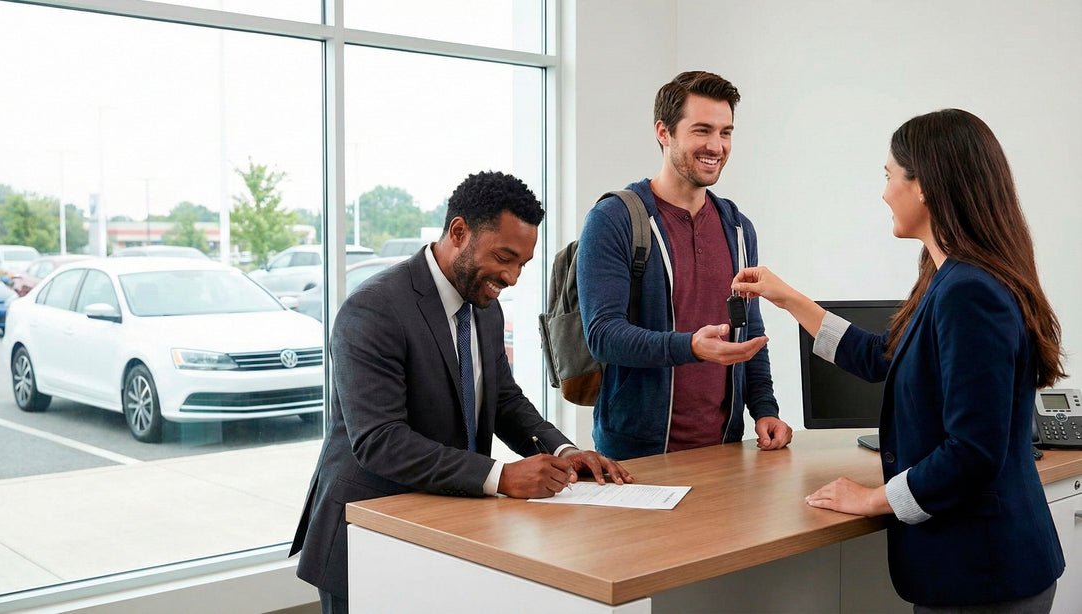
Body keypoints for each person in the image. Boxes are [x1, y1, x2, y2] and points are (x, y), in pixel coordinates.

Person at [732, 109, 1065, 612]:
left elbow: (973, 452)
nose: (884, 192)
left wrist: (873, 498)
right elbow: (881, 356)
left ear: (924, 185)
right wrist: (788, 298)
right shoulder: (948, 276)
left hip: (984, 573)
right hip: (984, 567)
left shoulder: (969, 291)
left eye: (889, 176)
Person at [290, 171, 632, 614]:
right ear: (458, 232)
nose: (512, 277)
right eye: (504, 257)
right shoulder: (373, 308)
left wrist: (563, 450)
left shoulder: (484, 309)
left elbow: (505, 401)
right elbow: (379, 440)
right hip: (368, 533)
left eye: (523, 264)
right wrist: (502, 477)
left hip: (447, 526)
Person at [576, 70, 792, 460]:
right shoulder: (615, 219)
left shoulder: (739, 228)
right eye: (702, 130)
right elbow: (603, 335)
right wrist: (691, 346)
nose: (716, 145)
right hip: (636, 456)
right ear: (664, 132)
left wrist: (764, 409)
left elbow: (750, 332)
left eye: (726, 132)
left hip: (725, 449)